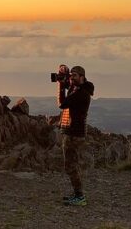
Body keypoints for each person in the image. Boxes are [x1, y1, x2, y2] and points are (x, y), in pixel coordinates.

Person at [56, 64, 94, 206]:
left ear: (82, 77)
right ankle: (77, 194)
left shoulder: (81, 94)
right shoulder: (77, 88)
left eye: (74, 76)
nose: (71, 78)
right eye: (71, 75)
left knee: (70, 166)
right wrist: (63, 74)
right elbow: (69, 86)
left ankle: (79, 196)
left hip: (74, 133)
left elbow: (62, 103)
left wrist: (60, 86)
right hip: (73, 132)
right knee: (73, 164)